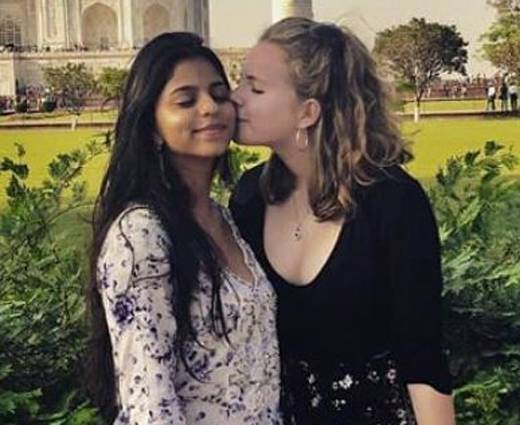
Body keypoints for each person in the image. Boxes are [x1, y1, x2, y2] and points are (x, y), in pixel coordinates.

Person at [230, 17, 455, 425]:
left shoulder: (392, 202)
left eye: (255, 88)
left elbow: (422, 356)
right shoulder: (250, 198)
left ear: (307, 112)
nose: (234, 98)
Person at [86, 32, 282, 425]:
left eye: (219, 94)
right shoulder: (141, 234)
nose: (210, 108)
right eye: (186, 100)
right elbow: (149, 403)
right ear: (152, 125)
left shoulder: (225, 218)